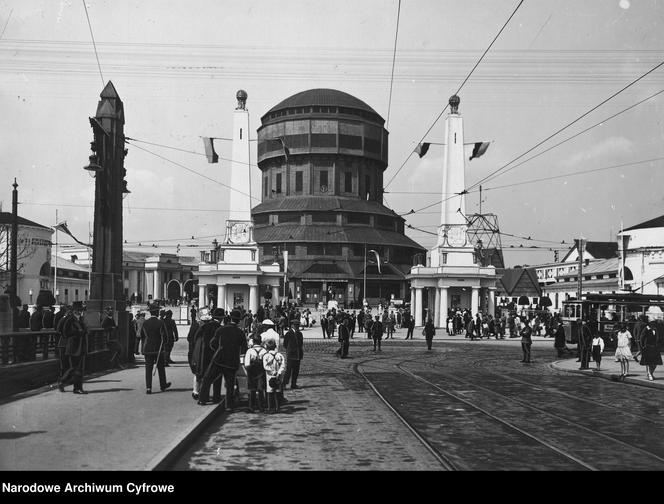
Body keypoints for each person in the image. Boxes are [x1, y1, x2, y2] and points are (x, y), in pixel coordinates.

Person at [200, 309, 248, 410]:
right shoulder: (240, 332)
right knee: (230, 385)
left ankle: (202, 399)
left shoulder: (221, 330)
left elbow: (212, 343)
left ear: (230, 318)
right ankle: (228, 405)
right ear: (239, 321)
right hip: (232, 361)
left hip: (219, 359)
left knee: (207, 379)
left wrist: (219, 349)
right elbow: (244, 349)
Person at [192, 308, 224, 403]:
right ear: (221, 318)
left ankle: (203, 397)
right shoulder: (220, 328)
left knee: (206, 378)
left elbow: (196, 339)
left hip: (204, 355)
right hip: (216, 355)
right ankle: (216, 397)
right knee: (217, 377)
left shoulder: (204, 327)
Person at [59, 301, 88, 394]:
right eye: (78, 310)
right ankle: (69, 384)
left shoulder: (80, 320)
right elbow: (65, 332)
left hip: (80, 346)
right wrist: (77, 333)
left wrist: (84, 331)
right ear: (74, 311)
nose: (80, 312)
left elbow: (85, 330)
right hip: (73, 346)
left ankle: (75, 387)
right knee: (75, 368)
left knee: (79, 368)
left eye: (81, 310)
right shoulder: (70, 319)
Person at [141, 305, 171, 395]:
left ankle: (148, 387)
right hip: (158, 348)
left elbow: (142, 335)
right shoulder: (160, 323)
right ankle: (163, 385)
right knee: (161, 368)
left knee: (148, 368)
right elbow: (165, 337)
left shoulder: (145, 323)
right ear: (157, 312)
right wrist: (164, 344)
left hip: (148, 348)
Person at [243, 333, 267, 413]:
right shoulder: (264, 350)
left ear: (253, 342)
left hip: (252, 372)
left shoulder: (249, 351)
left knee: (252, 389)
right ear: (260, 341)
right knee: (260, 389)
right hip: (261, 371)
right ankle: (261, 406)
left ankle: (251, 406)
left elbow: (246, 364)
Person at [262, 339, 286, 414]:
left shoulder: (266, 356)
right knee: (278, 391)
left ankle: (270, 408)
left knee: (270, 391)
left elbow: (265, 366)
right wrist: (279, 373)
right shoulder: (279, 355)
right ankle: (278, 407)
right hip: (278, 376)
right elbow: (283, 365)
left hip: (270, 375)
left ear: (267, 347)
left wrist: (272, 372)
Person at [283, 317, 305, 388]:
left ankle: (293, 384)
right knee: (288, 371)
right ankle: (284, 384)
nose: (297, 326)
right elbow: (285, 344)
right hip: (291, 355)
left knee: (296, 371)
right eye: (295, 325)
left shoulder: (300, 334)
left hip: (298, 354)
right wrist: (290, 350)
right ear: (292, 325)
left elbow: (301, 344)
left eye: (298, 325)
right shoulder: (288, 334)